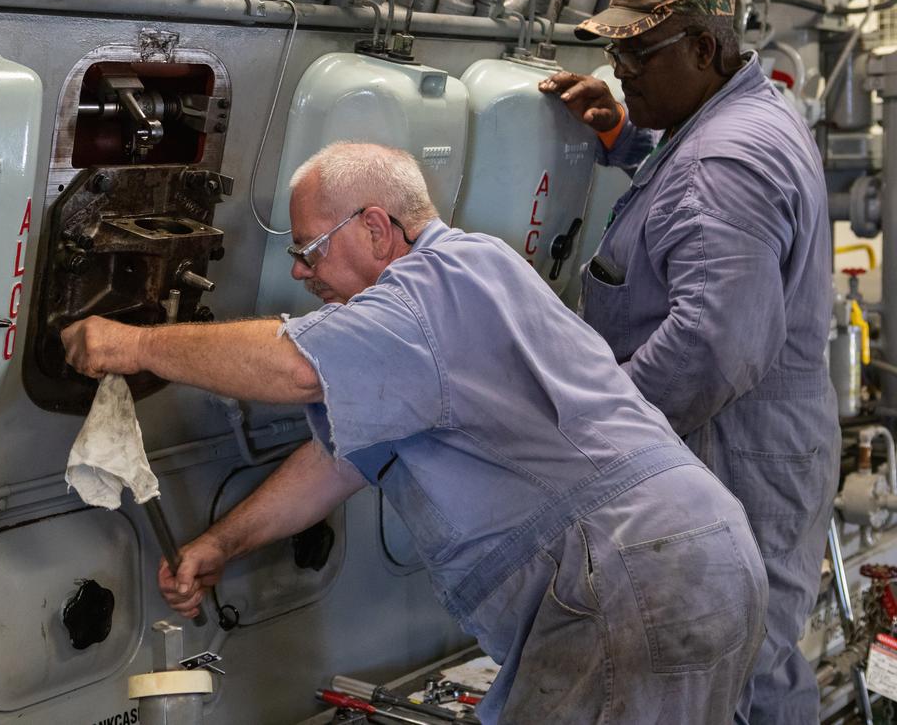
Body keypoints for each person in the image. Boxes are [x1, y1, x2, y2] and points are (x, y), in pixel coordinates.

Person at [63, 141, 768, 724]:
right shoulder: (459, 291)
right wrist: (222, 542)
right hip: (687, 560)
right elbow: (339, 460)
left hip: (629, 578)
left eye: (310, 249)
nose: (301, 273)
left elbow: (297, 368)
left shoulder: (435, 286)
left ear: (375, 227)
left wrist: (137, 346)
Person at [538, 0, 840, 724]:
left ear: (704, 50)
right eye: (614, 52)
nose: (620, 70)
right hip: (763, 445)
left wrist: (589, 426)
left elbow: (713, 349)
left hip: (729, 453)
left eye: (638, 54)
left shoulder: (722, 159)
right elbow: (698, 211)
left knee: (721, 676)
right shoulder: (745, 116)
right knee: (752, 661)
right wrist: (627, 137)